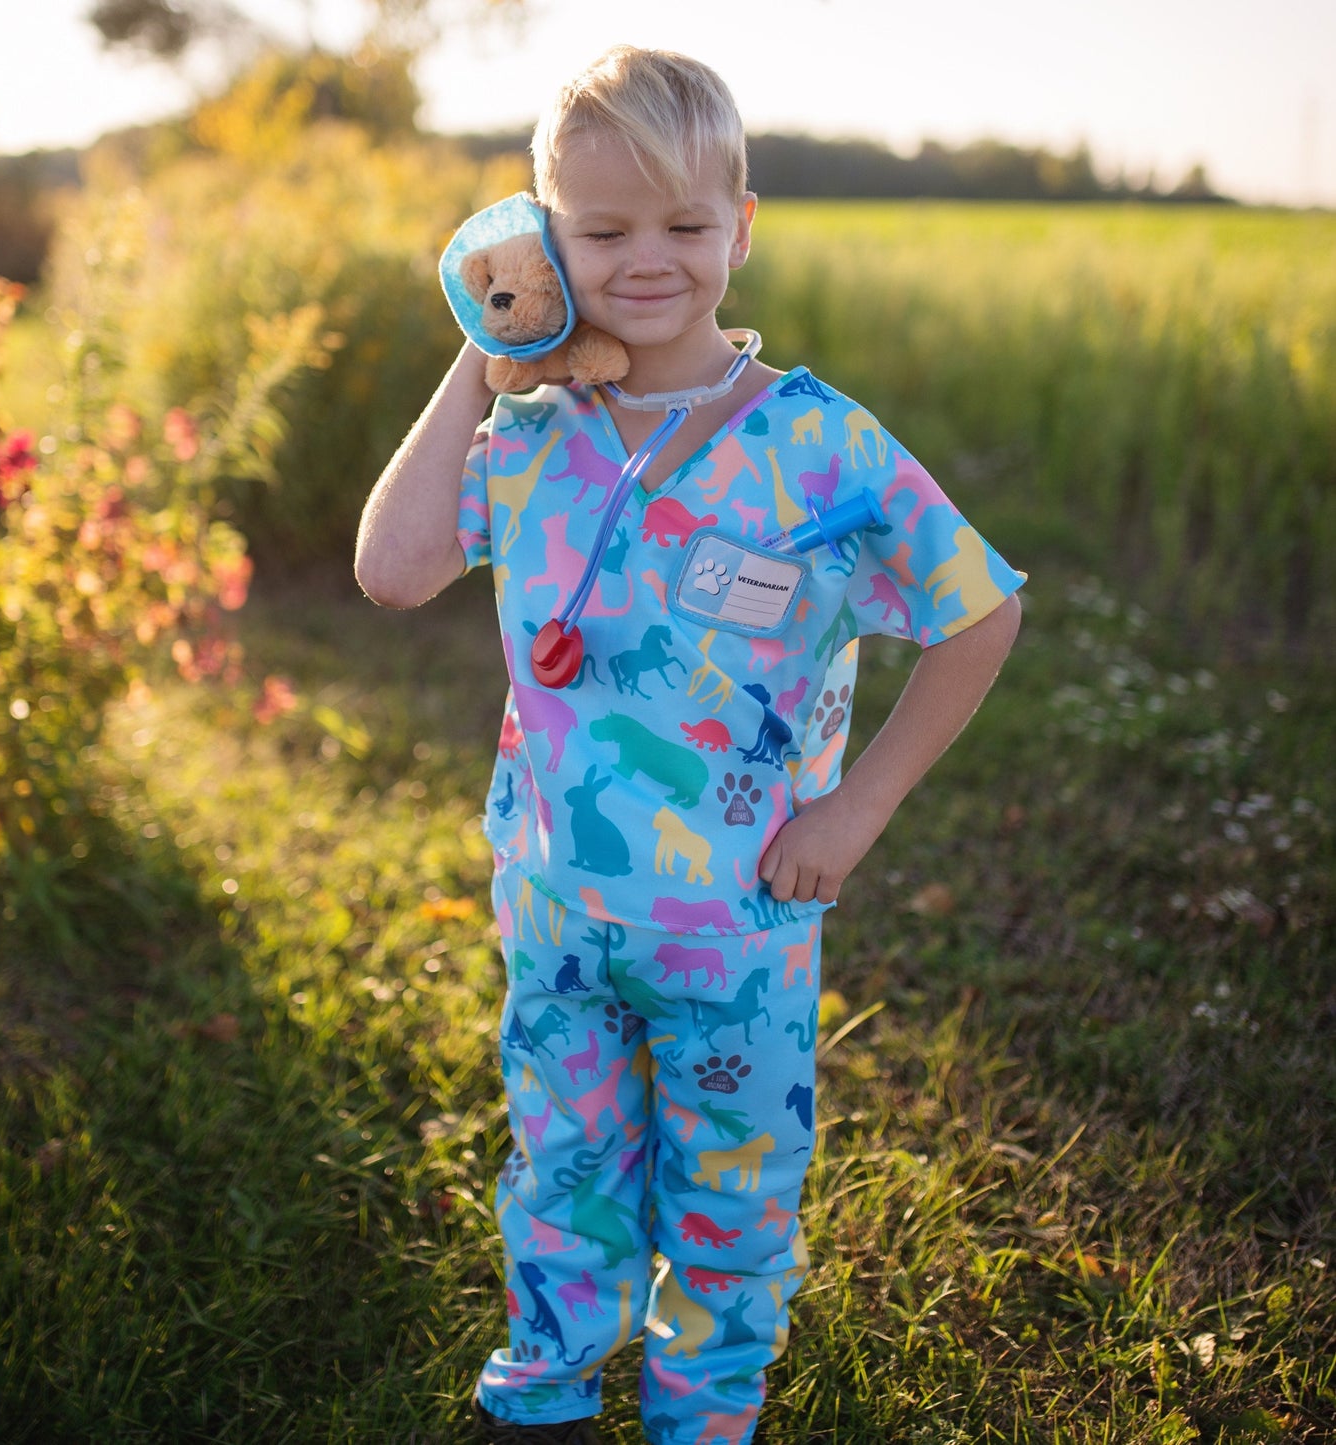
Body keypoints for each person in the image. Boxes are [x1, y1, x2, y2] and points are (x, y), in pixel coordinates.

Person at [356, 45, 1023, 1445]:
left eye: (681, 224)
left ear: (741, 225)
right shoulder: (530, 434)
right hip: (554, 911)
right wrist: (483, 351)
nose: (643, 258)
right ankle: (542, 1388)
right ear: (544, 236)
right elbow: (393, 568)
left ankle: (701, 1410)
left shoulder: (819, 446)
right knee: (561, 1163)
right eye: (598, 231)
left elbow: (979, 612)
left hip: (739, 924)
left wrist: (854, 812)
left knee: (730, 1183)